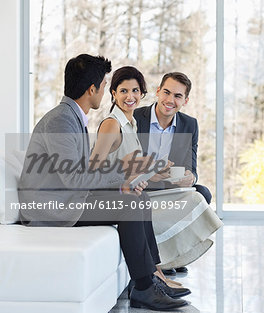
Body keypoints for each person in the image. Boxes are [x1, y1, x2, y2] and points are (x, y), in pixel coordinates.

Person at [18, 55, 188, 311]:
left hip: (67, 196)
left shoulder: (71, 117)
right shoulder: (61, 121)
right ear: (92, 89)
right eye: (105, 83)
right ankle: (143, 288)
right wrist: (123, 173)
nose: (105, 91)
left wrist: (125, 181)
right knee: (129, 205)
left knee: (137, 198)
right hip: (51, 206)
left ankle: (152, 277)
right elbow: (75, 177)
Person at [89, 65, 186, 291]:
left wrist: (151, 173)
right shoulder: (112, 125)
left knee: (142, 200)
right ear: (113, 93)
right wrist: (126, 179)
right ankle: (151, 277)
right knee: (138, 201)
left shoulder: (131, 125)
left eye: (135, 91)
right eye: (123, 91)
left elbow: (128, 169)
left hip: (119, 190)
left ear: (142, 94)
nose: (129, 97)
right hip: (100, 195)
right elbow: (93, 170)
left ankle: (155, 270)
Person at [134, 72, 223, 274]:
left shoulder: (189, 124)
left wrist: (190, 178)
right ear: (158, 91)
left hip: (170, 187)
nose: (170, 100)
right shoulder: (137, 118)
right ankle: (164, 258)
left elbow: (191, 166)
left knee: (203, 193)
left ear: (185, 100)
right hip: (142, 186)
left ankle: (175, 254)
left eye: (177, 96)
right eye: (166, 92)